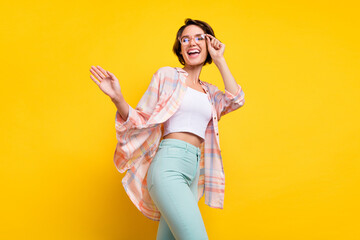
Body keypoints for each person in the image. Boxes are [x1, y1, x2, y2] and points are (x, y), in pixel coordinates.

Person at [90, 18, 245, 240]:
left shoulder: (210, 92)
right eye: (185, 39)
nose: (192, 42)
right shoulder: (167, 76)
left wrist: (220, 59)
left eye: (199, 38)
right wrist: (118, 99)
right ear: (180, 49)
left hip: (193, 171)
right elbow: (141, 118)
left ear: (209, 45)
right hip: (168, 165)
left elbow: (236, 99)